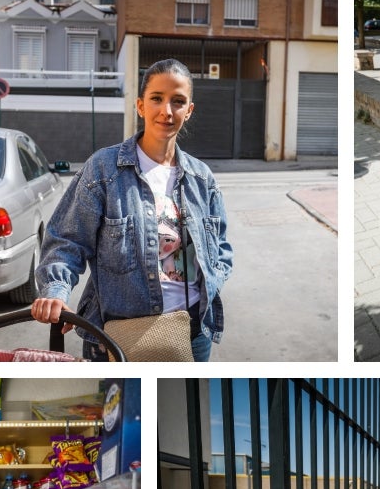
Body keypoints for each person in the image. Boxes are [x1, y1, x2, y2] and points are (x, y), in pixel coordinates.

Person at [30, 58, 234, 361]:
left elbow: (220, 247)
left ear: (189, 110)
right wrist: (55, 292)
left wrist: (212, 280)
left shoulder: (201, 177)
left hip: (192, 334)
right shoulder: (103, 169)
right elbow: (66, 241)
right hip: (118, 337)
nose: (166, 111)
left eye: (178, 101)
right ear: (140, 106)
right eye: (156, 99)